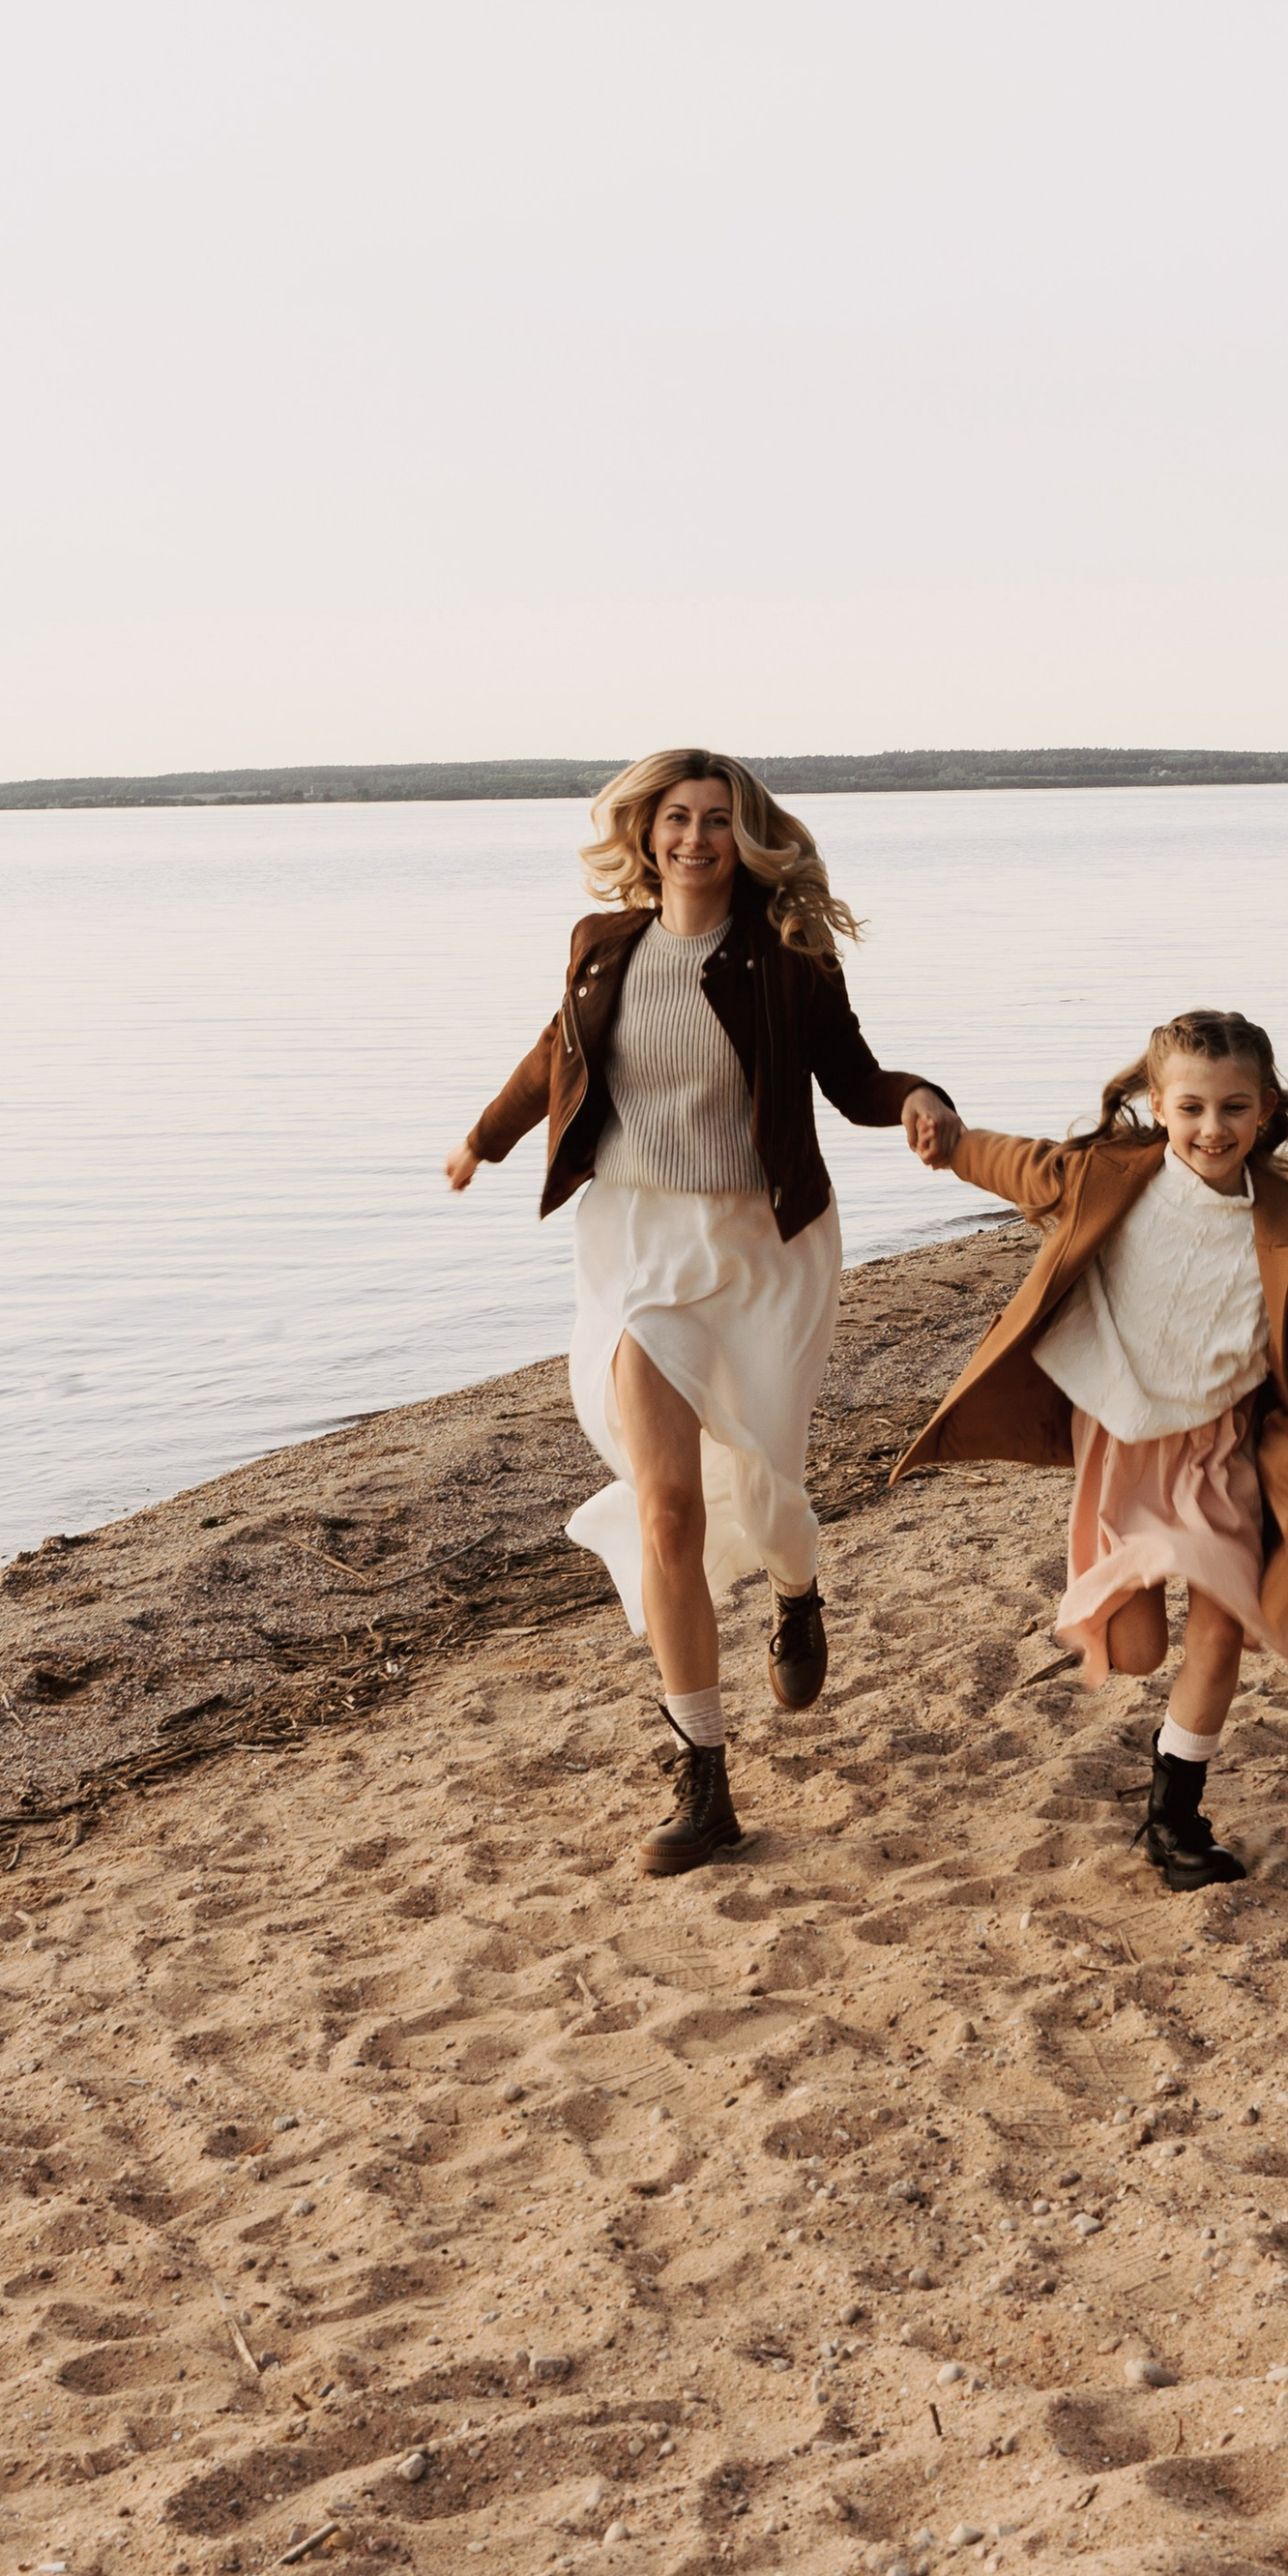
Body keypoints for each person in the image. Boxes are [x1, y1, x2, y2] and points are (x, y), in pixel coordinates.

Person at [447, 751, 958, 1874]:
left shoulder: (788, 953)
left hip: (762, 1247)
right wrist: (483, 1139)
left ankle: (795, 1587)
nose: (693, 838)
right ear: (645, 831)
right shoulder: (603, 944)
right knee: (668, 1507)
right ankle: (705, 1779)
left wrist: (921, 1096)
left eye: (716, 819)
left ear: (746, 835)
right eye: (674, 817)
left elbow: (851, 1079)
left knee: (769, 1478)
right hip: (636, 1248)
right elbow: (554, 1056)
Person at [897, 1009, 1288, 1890]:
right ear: (1158, 1106)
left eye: (1234, 1108)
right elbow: (1020, 1165)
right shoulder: (1110, 1176)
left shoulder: (1285, 1227)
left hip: (1221, 1449)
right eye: (1192, 1108)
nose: (1214, 1129)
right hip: (1123, 1443)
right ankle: (1135, 1683)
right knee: (1135, 1651)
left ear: (1266, 1109)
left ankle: (1176, 1818)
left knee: (1222, 1623)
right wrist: (952, 1143)